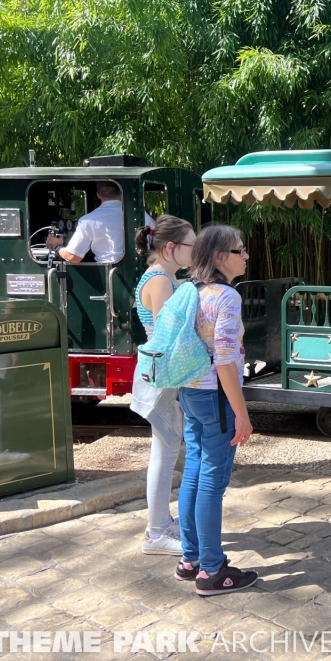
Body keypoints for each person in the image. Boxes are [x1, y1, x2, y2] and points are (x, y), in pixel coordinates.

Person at [176, 224, 257, 596]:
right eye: (240, 250)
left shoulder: (188, 290)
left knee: (194, 469)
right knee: (212, 481)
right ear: (220, 256)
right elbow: (225, 360)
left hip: (190, 391)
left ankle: (190, 558)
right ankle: (212, 570)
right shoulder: (226, 297)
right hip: (216, 395)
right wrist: (241, 413)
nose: (245, 256)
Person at [132, 215, 196, 556]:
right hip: (162, 376)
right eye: (191, 245)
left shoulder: (161, 278)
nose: (195, 250)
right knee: (166, 451)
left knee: (166, 450)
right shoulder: (161, 281)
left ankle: (161, 523)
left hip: (158, 374)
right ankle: (156, 532)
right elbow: (167, 336)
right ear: (171, 248)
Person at [45, 181, 152, 263]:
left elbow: (73, 257)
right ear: (121, 192)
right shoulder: (143, 216)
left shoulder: (88, 220)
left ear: (98, 195)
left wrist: (56, 246)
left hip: (107, 277)